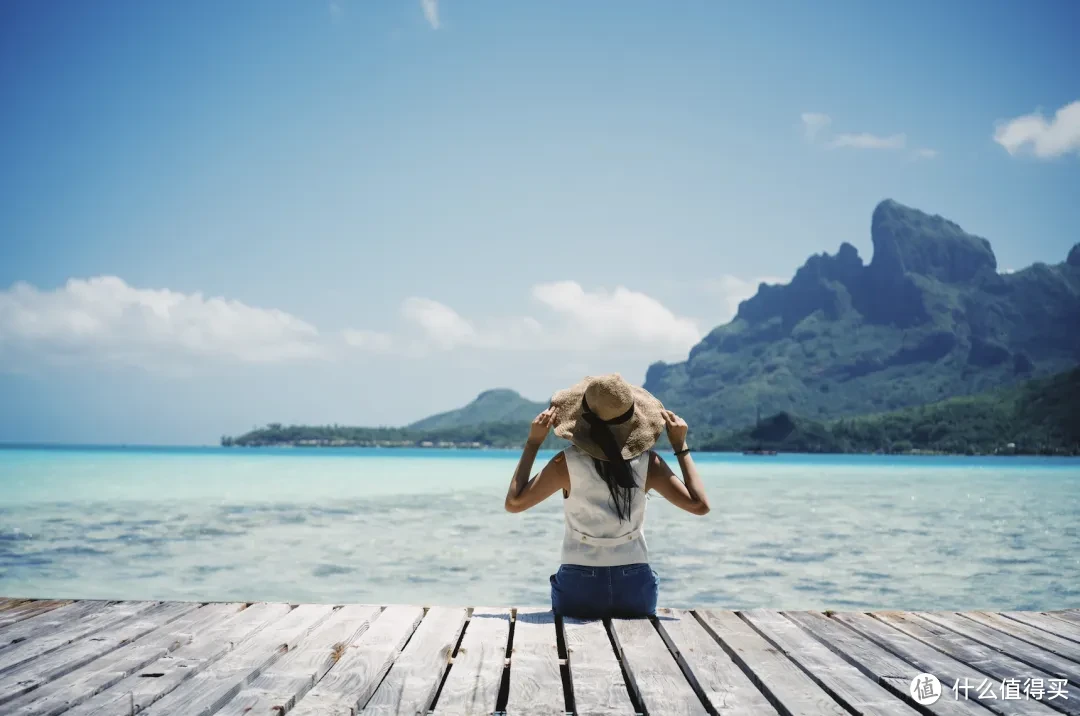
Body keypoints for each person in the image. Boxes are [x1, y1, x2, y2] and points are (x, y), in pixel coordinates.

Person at [503, 373, 710, 619]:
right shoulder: (650, 463)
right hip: (634, 591)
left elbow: (514, 503)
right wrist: (680, 446)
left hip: (578, 591)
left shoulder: (565, 464)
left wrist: (533, 443)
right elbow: (700, 505)